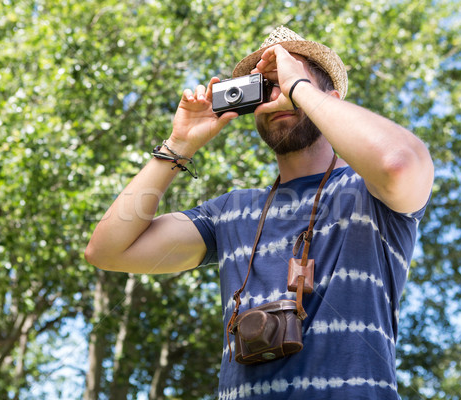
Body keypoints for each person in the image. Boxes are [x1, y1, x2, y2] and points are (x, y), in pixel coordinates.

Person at [85, 26, 434, 399]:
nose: (278, 95)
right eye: (265, 87)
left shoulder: (371, 193)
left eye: (287, 80)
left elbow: (397, 163)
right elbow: (107, 251)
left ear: (328, 98)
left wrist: (299, 88)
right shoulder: (230, 212)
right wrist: (178, 145)